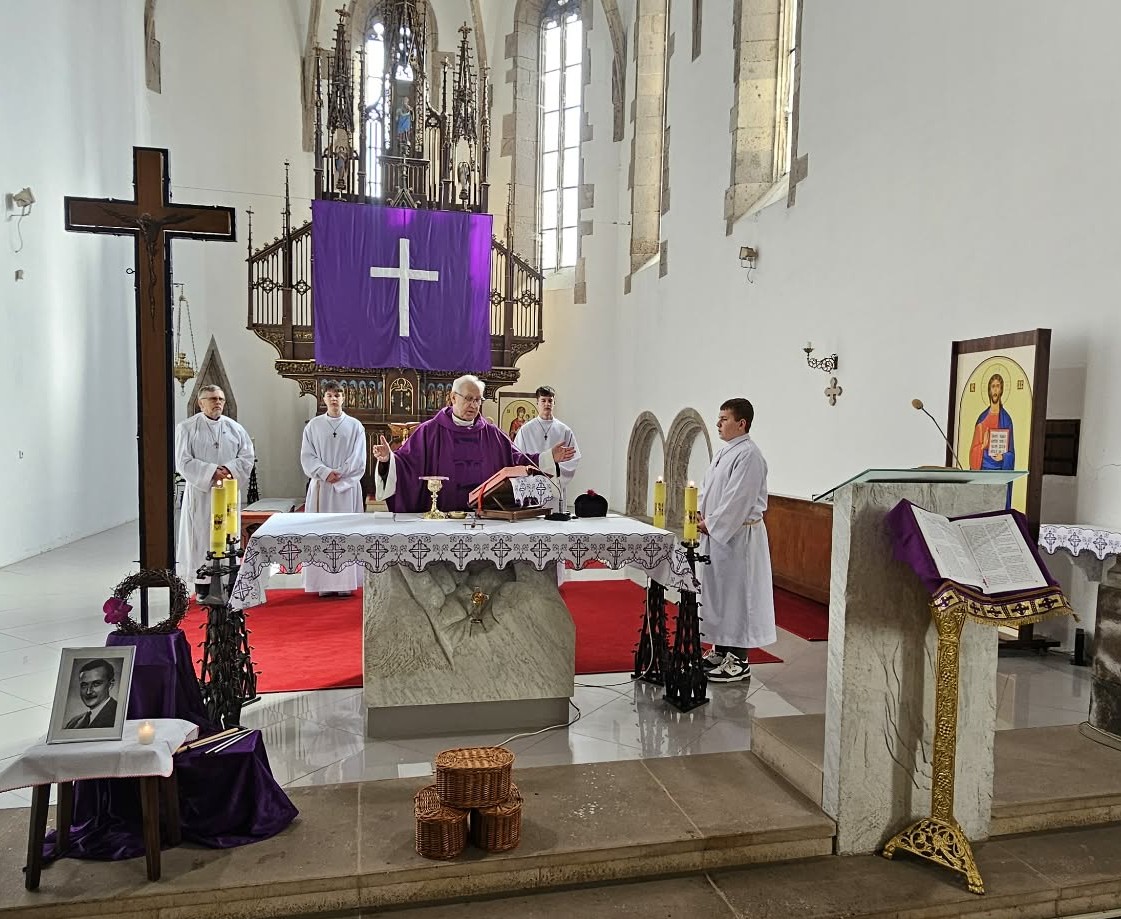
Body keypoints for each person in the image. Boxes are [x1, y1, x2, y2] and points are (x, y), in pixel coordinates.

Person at [373, 374, 576, 512]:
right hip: (442, 521)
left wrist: (549, 457)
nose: (474, 405)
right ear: (453, 398)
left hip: (484, 519)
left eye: (478, 400)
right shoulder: (429, 431)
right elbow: (406, 464)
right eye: (469, 398)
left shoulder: (492, 434)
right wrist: (388, 460)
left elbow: (518, 461)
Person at [697, 398, 776, 683]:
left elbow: (738, 499)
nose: (718, 423)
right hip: (719, 536)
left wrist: (712, 523)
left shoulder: (749, 455)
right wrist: (700, 512)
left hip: (740, 538)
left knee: (738, 597)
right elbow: (709, 489)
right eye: (718, 418)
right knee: (719, 594)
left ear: (741, 423)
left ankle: (739, 660)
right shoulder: (725, 452)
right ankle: (721, 650)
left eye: (724, 419)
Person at [175, 385, 255, 597]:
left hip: (228, 491)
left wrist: (228, 470)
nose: (217, 402)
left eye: (220, 398)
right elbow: (183, 461)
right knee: (201, 535)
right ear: (200, 403)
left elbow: (247, 457)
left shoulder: (235, 428)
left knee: (228, 534)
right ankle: (202, 582)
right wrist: (212, 472)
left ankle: (228, 580)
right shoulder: (187, 428)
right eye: (212, 399)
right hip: (202, 494)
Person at [301, 381, 368, 597]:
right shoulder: (313, 426)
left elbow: (359, 457)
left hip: (347, 489)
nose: (334, 399)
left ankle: (344, 584)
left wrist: (340, 473)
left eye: (337, 395)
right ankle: (323, 584)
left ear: (343, 398)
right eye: (330, 395)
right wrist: (324, 472)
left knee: (345, 533)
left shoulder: (355, 426)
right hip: (322, 487)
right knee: (321, 533)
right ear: (324, 399)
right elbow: (307, 456)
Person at [514, 386, 582, 514]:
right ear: (537, 402)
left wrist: (555, 473)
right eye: (543, 400)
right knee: (533, 520)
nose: (547, 404)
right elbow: (518, 458)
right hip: (532, 486)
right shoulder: (525, 430)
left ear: (554, 403)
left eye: (550, 400)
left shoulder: (564, 430)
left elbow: (573, 459)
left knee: (555, 520)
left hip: (554, 485)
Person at [968, 372, 1016, 470]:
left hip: (999, 470)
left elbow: (1011, 453)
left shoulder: (1006, 420)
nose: (995, 389)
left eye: (998, 386)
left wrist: (1003, 457)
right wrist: (983, 446)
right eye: (993, 386)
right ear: (989, 390)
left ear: (1001, 390)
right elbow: (973, 452)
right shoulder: (982, 420)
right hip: (982, 470)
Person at [65, 659, 118, 729]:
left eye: (96, 684)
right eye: (84, 685)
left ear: (110, 685)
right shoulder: (73, 723)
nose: (88, 692)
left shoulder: (118, 715)